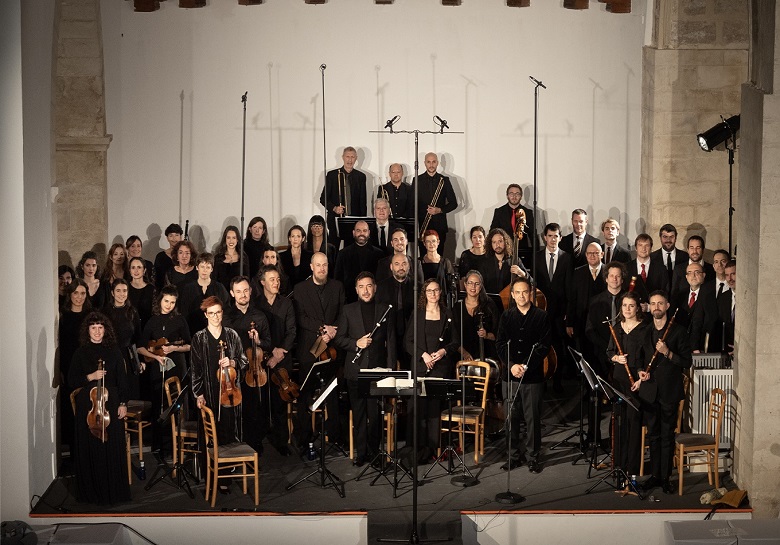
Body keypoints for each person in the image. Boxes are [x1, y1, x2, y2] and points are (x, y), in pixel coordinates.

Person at [68, 312, 131, 505]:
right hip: (89, 406)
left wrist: (123, 404)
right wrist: (91, 376)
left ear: (106, 330)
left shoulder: (114, 351)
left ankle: (113, 493)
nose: (97, 331)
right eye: (93, 328)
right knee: (92, 447)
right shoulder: (81, 352)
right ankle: (91, 494)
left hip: (111, 405)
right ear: (88, 331)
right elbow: (71, 381)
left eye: (100, 327)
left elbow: (122, 380)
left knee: (111, 445)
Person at [334, 272, 396, 466]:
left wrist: (390, 370)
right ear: (356, 290)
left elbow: (391, 342)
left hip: (377, 371)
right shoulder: (348, 310)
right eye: (361, 287)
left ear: (375, 288)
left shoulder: (385, 309)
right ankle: (361, 454)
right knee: (359, 415)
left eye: (369, 286)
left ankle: (375, 453)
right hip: (355, 371)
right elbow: (339, 339)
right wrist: (356, 343)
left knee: (375, 415)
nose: (366, 290)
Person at [636, 290, 692, 494]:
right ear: (649, 307)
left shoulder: (678, 331)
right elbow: (639, 360)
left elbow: (687, 361)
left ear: (667, 306)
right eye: (653, 304)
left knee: (667, 435)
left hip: (669, 391)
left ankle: (666, 477)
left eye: (660, 303)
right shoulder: (645, 331)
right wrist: (640, 371)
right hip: (650, 391)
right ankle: (655, 476)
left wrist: (667, 353)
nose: (657, 307)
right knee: (653, 435)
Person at [495, 277, 551, 473]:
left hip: (532, 376)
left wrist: (526, 365)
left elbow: (544, 346)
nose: (521, 296)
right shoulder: (506, 316)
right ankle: (512, 456)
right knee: (511, 418)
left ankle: (533, 457)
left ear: (531, 293)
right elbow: (500, 344)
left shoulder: (542, 316)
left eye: (524, 292)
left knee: (532, 418)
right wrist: (510, 366)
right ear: (512, 295)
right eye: (517, 292)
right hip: (509, 376)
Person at [293, 252, 345, 449]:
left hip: (332, 347)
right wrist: (323, 328)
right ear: (311, 267)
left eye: (325, 264)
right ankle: (304, 437)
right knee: (305, 392)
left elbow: (342, 313)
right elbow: (301, 317)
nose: (322, 268)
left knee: (332, 390)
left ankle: (334, 435)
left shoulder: (337, 286)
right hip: (309, 348)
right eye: (318, 265)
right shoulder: (300, 288)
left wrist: (333, 331)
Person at [404, 279, 459, 455]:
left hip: (440, 367)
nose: (433, 294)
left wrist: (443, 351)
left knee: (434, 409)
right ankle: (416, 447)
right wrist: (423, 354)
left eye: (436, 290)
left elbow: (455, 342)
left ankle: (433, 448)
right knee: (418, 407)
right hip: (421, 366)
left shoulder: (447, 313)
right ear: (424, 294)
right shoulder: (418, 313)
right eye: (429, 291)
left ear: (440, 292)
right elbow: (408, 341)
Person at [137, 286, 191, 454]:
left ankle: (176, 445)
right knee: (159, 405)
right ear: (160, 300)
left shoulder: (180, 320)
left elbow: (189, 345)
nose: (169, 305)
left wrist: (174, 348)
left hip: (177, 366)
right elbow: (140, 348)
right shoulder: (152, 321)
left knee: (175, 404)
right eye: (166, 301)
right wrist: (155, 357)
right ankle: (160, 446)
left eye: (172, 302)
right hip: (158, 367)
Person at [223, 276, 272, 455]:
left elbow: (268, 343)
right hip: (235, 372)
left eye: (245, 291)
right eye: (238, 291)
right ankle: (237, 449)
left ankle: (254, 448)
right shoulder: (227, 317)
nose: (243, 295)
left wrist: (258, 341)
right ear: (232, 293)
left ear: (250, 291)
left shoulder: (259, 316)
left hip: (254, 371)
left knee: (255, 411)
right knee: (236, 413)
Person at [606, 291, 651, 480]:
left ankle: (632, 467)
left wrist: (641, 378)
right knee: (619, 421)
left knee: (633, 423)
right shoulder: (616, 328)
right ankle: (618, 465)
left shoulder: (644, 329)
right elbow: (609, 351)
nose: (627, 309)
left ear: (637, 307)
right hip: (619, 378)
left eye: (631, 306)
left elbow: (647, 358)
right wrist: (616, 357)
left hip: (635, 381)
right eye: (624, 306)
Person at [192, 296, 248, 446]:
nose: (215, 317)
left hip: (230, 392)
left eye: (218, 312)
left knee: (230, 428)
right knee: (210, 432)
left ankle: (232, 464)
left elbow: (244, 361)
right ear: (206, 315)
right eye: (211, 313)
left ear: (222, 313)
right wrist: (199, 394)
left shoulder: (232, 335)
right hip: (209, 391)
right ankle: (213, 465)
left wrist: (232, 362)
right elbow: (195, 369)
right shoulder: (199, 338)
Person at [256, 265, 297, 455]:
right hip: (262, 360)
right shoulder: (256, 304)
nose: (276, 282)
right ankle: (259, 440)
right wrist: (271, 352)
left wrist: (280, 353)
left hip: (282, 359)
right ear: (263, 282)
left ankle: (282, 442)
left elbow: (291, 332)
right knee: (262, 402)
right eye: (272, 279)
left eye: (278, 279)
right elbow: (257, 335)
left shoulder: (286, 304)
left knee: (281, 403)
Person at [534, 223, 572, 390]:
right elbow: (534, 284)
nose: (553, 239)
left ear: (560, 238)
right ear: (545, 237)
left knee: (558, 345)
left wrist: (568, 313)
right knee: (540, 344)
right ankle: (541, 379)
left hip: (560, 312)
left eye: (556, 236)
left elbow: (570, 289)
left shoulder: (567, 257)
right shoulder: (536, 257)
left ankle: (557, 382)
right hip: (541, 310)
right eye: (550, 236)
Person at [58, 279, 92, 452]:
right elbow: (62, 346)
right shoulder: (62, 317)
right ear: (70, 295)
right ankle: (74, 450)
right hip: (69, 367)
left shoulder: (90, 316)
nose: (79, 297)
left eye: (82, 293)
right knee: (71, 410)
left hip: (87, 367)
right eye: (76, 293)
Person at [103, 278, 142, 400]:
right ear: (112, 293)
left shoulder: (132, 312)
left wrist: (140, 361)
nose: (122, 294)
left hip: (129, 356)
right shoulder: (105, 312)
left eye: (124, 291)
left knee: (131, 392)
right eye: (118, 291)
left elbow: (138, 337)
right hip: (110, 355)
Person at [320, 146, 367, 246]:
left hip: (354, 220)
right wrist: (334, 208)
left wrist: (363, 222)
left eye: (352, 157)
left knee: (351, 250)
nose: (350, 160)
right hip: (335, 219)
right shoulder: (332, 175)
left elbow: (363, 202)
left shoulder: (361, 176)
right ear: (343, 157)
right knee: (333, 248)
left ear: (356, 158)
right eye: (347, 157)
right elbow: (323, 199)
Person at [376, 253, 416, 372]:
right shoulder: (381, 287)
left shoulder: (417, 287)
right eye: (397, 264)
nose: (401, 267)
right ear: (391, 267)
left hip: (411, 338)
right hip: (388, 338)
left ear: (409, 266)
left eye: (404, 263)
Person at [411, 152, 458, 253]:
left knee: (439, 256)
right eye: (428, 162)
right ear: (424, 163)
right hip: (422, 225)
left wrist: (440, 210)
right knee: (424, 257)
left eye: (433, 162)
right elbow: (412, 204)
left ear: (437, 163)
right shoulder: (417, 180)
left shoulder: (444, 180)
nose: (431, 165)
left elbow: (453, 203)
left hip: (439, 226)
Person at [453, 270, 500, 362]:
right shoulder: (458, 307)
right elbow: (453, 337)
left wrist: (486, 335)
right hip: (463, 356)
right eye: (470, 283)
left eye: (477, 283)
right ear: (465, 285)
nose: (473, 286)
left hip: (487, 355)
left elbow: (499, 333)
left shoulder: (489, 305)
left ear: (481, 286)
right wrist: (464, 353)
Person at [178, 252, 229, 335]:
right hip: (193, 331)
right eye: (202, 266)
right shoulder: (188, 288)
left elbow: (226, 309)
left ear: (212, 269)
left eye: (208, 267)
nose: (204, 270)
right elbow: (184, 312)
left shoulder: (219, 288)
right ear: (197, 267)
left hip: (216, 332)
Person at [334, 220, 384, 304]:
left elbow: (382, 280)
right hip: (349, 300)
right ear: (353, 233)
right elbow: (338, 280)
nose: (361, 233)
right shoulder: (343, 254)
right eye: (358, 230)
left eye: (364, 231)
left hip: (373, 301)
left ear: (369, 233)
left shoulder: (379, 254)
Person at [479, 227, 530, 296]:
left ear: (506, 242)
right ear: (491, 244)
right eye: (494, 242)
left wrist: (521, 273)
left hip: (509, 302)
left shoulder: (515, 260)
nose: (497, 245)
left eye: (500, 241)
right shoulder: (485, 262)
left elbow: (532, 281)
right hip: (490, 301)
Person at [628, 233, 669, 310]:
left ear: (651, 248)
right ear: (636, 248)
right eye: (640, 245)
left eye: (647, 245)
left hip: (653, 313)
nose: (643, 249)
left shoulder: (661, 269)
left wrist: (651, 307)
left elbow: (664, 292)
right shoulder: (627, 268)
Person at [490, 184, 535, 252]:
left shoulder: (528, 212)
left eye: (517, 194)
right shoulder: (499, 212)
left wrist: (536, 255)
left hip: (522, 250)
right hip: (503, 250)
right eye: (511, 194)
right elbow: (493, 232)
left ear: (521, 196)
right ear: (507, 195)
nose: (514, 196)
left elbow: (533, 235)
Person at [418, 230, 454, 303]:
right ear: (424, 243)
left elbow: (450, 286)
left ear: (438, 242)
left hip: (441, 301)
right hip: (422, 301)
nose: (431, 244)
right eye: (428, 241)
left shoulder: (445, 262)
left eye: (433, 241)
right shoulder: (418, 262)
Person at [650, 223, 689, 289]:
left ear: (676, 238)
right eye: (665, 237)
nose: (668, 240)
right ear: (660, 238)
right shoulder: (652, 257)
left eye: (671, 237)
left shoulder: (685, 257)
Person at [214, 226, 249, 293]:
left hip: (238, 295)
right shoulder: (218, 257)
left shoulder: (243, 257)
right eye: (228, 238)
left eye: (234, 238)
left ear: (237, 240)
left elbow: (247, 279)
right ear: (225, 239)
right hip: (221, 294)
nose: (231, 241)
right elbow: (214, 279)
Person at [279, 225, 313, 291]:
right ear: (289, 238)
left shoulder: (310, 256)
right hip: (286, 293)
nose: (295, 239)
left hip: (305, 291)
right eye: (293, 236)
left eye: (298, 236)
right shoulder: (281, 256)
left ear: (303, 239)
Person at [154, 223, 183, 291]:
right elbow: (156, 279)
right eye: (171, 235)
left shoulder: (185, 257)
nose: (174, 238)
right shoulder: (160, 257)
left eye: (176, 235)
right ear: (167, 238)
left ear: (181, 237)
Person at [128, 256, 155, 329]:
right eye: (133, 267)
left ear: (144, 270)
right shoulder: (125, 288)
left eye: (139, 267)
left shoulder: (152, 289)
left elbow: (155, 312)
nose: (136, 271)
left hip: (147, 327)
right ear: (130, 271)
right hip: (129, 328)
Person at [716, 260, 736, 356]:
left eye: (733, 274)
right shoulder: (723, 297)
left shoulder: (748, 298)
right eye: (727, 275)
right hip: (726, 352)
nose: (730, 278)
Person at [244, 216, 271, 280]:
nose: (257, 230)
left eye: (260, 228)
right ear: (250, 229)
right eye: (254, 227)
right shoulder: (243, 246)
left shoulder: (267, 247)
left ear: (264, 231)